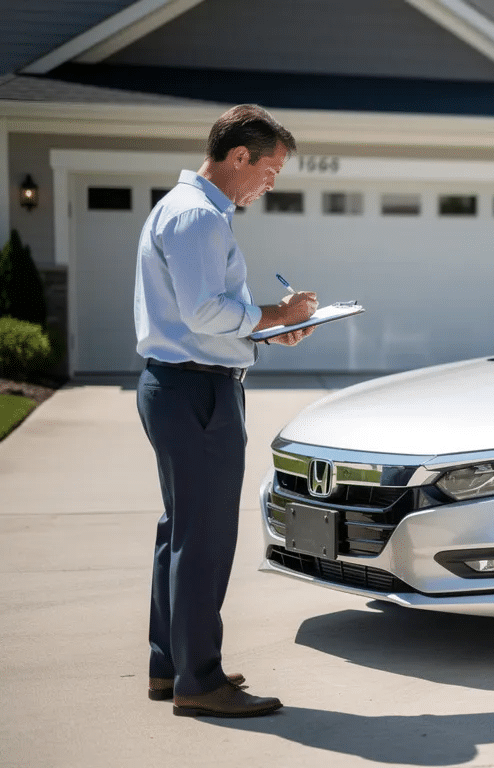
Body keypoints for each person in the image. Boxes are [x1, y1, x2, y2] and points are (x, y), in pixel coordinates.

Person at [134, 104, 316, 718]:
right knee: (203, 539)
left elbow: (211, 318)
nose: (271, 184)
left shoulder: (191, 212)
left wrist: (265, 331)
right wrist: (278, 315)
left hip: (187, 384)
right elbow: (204, 314)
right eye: (269, 171)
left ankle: (173, 667)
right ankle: (200, 682)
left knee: (181, 535)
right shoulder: (196, 218)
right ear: (239, 157)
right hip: (197, 392)